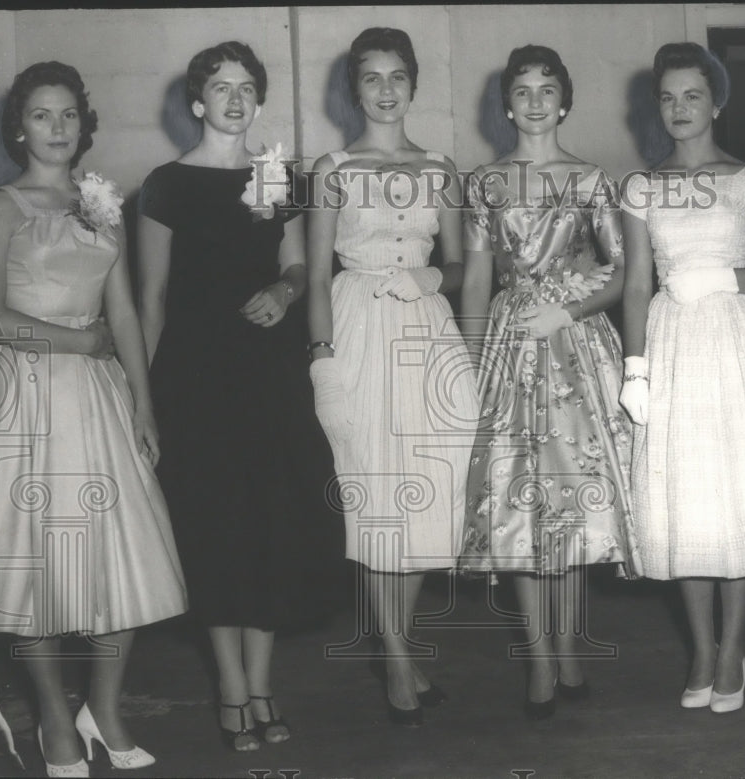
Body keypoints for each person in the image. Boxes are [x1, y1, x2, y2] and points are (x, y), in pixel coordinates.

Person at [0, 61, 186, 777]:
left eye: (68, 115)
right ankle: (55, 721)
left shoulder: (101, 201)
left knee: (122, 558)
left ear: (83, 123)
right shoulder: (1, 205)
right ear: (18, 127)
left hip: (96, 396)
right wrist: (78, 343)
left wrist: (143, 400)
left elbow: (122, 309)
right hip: (24, 396)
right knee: (34, 568)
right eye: (41, 115)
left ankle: (105, 704)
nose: (57, 128)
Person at [137, 41, 333, 751]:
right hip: (195, 380)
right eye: (221, 86)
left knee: (271, 526)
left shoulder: (276, 176)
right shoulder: (164, 185)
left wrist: (285, 291)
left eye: (247, 87)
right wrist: (145, 398)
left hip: (268, 376)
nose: (235, 98)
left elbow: (298, 264)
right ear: (197, 100)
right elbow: (150, 299)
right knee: (215, 530)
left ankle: (262, 683)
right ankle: (229, 685)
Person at [458, 44, 638, 720]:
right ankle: (537, 656)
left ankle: (568, 650)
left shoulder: (590, 179)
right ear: (507, 104)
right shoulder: (485, 183)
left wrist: (567, 308)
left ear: (564, 101)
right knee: (515, 508)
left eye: (546, 90)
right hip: (509, 343)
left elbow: (621, 271)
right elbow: (476, 277)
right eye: (522, 91)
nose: (534, 101)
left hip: (573, 343)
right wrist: (473, 359)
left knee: (568, 507)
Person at [306, 27, 478, 727]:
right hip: (358, 326)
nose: (385, 89)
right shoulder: (333, 168)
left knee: (427, 493)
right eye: (371, 77)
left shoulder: (442, 167)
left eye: (397, 76)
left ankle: (396, 644)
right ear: (355, 88)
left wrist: (432, 273)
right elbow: (317, 274)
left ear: (413, 85)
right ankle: (401, 659)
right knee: (379, 499)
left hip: (426, 325)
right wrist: (322, 362)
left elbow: (467, 264)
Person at [618, 42, 745, 714]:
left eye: (693, 95)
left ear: (716, 102)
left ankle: (732, 647)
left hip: (737, 339)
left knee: (737, 494)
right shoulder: (641, 186)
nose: (680, 108)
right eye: (668, 97)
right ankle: (699, 645)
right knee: (685, 500)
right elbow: (635, 285)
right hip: (671, 344)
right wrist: (635, 370)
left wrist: (723, 277)